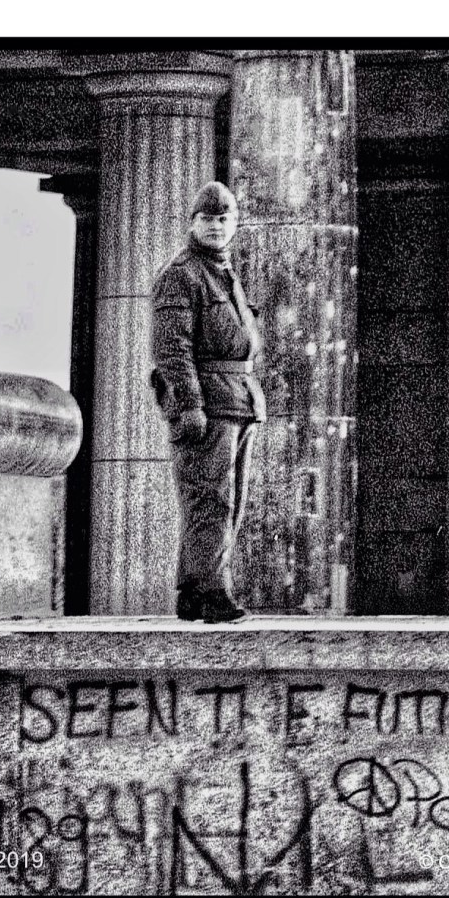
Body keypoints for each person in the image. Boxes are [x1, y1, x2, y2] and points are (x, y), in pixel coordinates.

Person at [150, 181, 266, 622]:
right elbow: (172, 349)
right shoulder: (181, 275)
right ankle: (212, 591)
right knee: (210, 499)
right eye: (207, 220)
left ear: (234, 225)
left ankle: (195, 591)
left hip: (236, 399)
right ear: (192, 224)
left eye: (224, 220)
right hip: (209, 402)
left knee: (226, 500)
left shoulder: (223, 272)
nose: (216, 227)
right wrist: (189, 405)